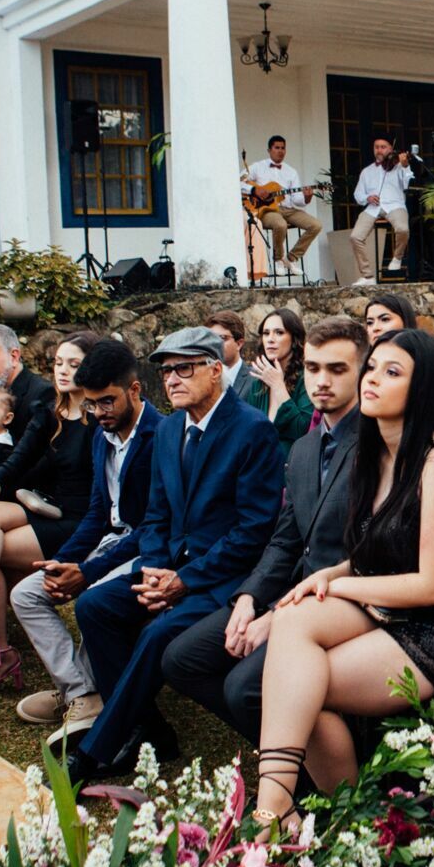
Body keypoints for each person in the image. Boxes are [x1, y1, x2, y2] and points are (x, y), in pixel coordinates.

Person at [251, 328, 434, 822]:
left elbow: (432, 584)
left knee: (305, 686)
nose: (372, 380)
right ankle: (290, 809)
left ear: (423, 389)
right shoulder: (378, 455)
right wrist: (328, 574)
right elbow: (379, 551)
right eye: (372, 368)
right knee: (294, 625)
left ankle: (314, 815)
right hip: (399, 608)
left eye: (392, 373)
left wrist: (338, 584)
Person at [66, 329, 281, 782]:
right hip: (172, 568)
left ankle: (95, 751)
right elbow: (156, 516)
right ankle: (149, 729)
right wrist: (154, 571)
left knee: (158, 633)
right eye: (166, 371)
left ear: (215, 370)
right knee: (93, 605)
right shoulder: (168, 430)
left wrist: (182, 581)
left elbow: (252, 531)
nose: (173, 380)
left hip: (224, 579)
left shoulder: (251, 429)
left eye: (185, 368)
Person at [162, 318, 369, 746]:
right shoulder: (307, 445)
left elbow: (368, 555)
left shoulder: (376, 445)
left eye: (337, 369)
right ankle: (293, 751)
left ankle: (306, 770)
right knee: (182, 659)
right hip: (289, 589)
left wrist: (276, 617)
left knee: (244, 688)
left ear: (362, 373)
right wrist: (249, 599)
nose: (322, 381)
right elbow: (286, 537)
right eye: (313, 369)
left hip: (348, 599)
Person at [11, 341, 160, 745]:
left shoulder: (160, 435)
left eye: (107, 402)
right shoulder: (101, 435)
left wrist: (87, 571)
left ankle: (78, 697)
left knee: (92, 593)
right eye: (92, 404)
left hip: (146, 549)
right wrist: (62, 562)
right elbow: (97, 512)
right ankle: (80, 693)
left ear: (134, 390)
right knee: (26, 594)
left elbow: (154, 527)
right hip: (109, 542)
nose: (99, 413)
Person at [0, 332, 103, 700]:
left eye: (73, 364)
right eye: (58, 363)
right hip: (48, 508)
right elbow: (14, 464)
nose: (63, 371)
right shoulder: (51, 411)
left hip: (81, 521)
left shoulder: (100, 417)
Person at [243, 135, 321, 273]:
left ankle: (291, 259)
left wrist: (307, 198)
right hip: (267, 210)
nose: (280, 151)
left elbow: (297, 199)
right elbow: (238, 182)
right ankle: (278, 259)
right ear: (269, 150)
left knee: (316, 225)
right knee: (280, 224)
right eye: (277, 148)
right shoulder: (257, 167)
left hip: (288, 209)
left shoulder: (291, 171)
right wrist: (254, 189)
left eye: (283, 148)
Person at [242, 308, 315, 457]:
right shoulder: (258, 382)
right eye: (266, 333)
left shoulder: (307, 378)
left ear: (294, 338)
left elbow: (303, 430)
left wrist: (278, 386)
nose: (270, 339)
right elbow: (248, 432)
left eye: (279, 332)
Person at [348, 136, 414, 285]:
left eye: (383, 147)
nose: (379, 150)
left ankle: (397, 258)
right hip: (373, 208)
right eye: (376, 147)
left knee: (403, 229)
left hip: (395, 205)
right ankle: (367, 276)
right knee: (355, 237)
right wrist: (368, 198)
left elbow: (407, 184)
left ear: (391, 149)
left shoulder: (398, 166)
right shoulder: (367, 171)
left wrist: (405, 165)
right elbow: (358, 195)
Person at [205, 310, 262, 406]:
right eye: (211, 338)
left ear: (239, 344)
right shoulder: (202, 378)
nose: (215, 344)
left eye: (222, 338)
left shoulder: (256, 378)